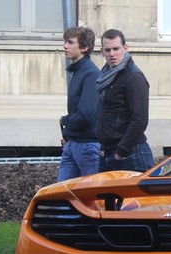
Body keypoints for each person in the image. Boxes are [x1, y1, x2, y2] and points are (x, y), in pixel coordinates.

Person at [96, 29, 154, 172]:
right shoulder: (105, 77)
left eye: (116, 49)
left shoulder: (134, 77)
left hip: (131, 154)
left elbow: (139, 120)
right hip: (108, 153)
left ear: (125, 48)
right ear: (101, 51)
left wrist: (121, 152)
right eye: (107, 50)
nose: (112, 54)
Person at [57, 26, 101, 182]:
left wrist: (65, 121)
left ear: (84, 47)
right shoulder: (79, 71)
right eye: (65, 41)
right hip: (74, 143)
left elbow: (86, 115)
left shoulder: (90, 73)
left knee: (93, 197)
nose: (65, 46)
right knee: (60, 194)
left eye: (70, 42)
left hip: (87, 146)